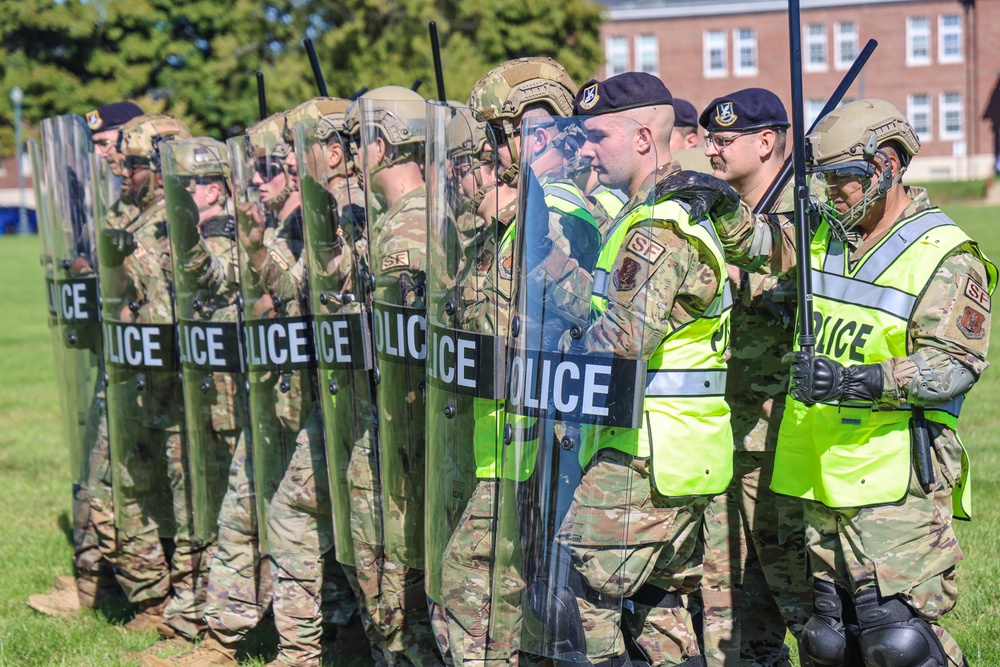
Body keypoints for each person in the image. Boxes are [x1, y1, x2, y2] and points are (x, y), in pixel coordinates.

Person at [712, 98, 995, 667]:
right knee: (828, 639)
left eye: (846, 176)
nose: (832, 190)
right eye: (826, 177)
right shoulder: (828, 238)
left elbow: (953, 366)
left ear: (887, 166)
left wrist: (857, 380)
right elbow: (758, 244)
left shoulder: (945, 253)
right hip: (820, 472)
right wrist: (715, 204)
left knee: (898, 641)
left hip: (895, 483)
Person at [141, 137, 269, 667]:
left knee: (233, 516)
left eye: (188, 186)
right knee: (211, 509)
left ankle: (219, 627)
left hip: (234, 402)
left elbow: (208, 277)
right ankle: (196, 612)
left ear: (213, 188)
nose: (180, 195)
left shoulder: (224, 240)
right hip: (202, 396)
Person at [696, 88, 812, 667]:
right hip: (724, 432)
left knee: (806, 603)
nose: (712, 152)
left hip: (784, 439)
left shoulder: (809, 213)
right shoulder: (717, 216)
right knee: (732, 609)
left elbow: (790, 285)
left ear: (765, 142)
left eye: (724, 140)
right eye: (709, 141)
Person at [27, 101, 143, 618]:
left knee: (111, 475)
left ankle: (101, 585)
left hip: (141, 360)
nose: (98, 155)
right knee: (97, 470)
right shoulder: (110, 198)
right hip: (109, 353)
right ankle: (93, 579)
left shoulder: (144, 199)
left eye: (104, 144)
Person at [347, 85, 443, 667]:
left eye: (357, 140)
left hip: (405, 436)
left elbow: (407, 352)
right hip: (397, 429)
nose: (348, 153)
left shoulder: (410, 228)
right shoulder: (399, 220)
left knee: (397, 573)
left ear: (382, 143)